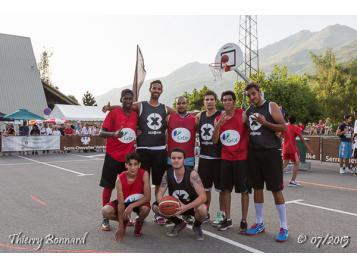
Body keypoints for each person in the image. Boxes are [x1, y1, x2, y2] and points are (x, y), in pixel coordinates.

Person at [103, 80, 175, 225]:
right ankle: (129, 212)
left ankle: (157, 212)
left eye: (159, 88)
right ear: (150, 89)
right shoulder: (141, 105)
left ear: (162, 90)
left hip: (159, 150)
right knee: (140, 183)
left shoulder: (165, 109)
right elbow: (127, 105)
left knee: (158, 183)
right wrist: (110, 107)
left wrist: (200, 113)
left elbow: (181, 112)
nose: (156, 90)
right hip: (140, 151)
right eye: (154, 87)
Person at [244, 83, 289, 242]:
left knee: (276, 190)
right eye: (249, 95)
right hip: (254, 154)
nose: (252, 97)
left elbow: (284, 128)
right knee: (257, 188)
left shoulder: (271, 106)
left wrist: (265, 123)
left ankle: (284, 226)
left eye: (254, 94)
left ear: (259, 93)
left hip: (271, 153)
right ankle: (260, 223)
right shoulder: (248, 111)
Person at [99, 89, 138, 231]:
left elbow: (136, 130)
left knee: (127, 188)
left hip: (127, 159)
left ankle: (126, 216)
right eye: (125, 98)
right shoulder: (113, 114)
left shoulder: (135, 114)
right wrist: (114, 134)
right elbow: (101, 133)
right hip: (112, 156)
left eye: (130, 99)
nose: (128, 101)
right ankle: (105, 217)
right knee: (108, 186)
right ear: (121, 99)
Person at [212, 91, 250, 233]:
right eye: (224, 100)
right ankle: (227, 219)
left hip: (242, 159)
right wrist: (218, 125)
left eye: (229, 99)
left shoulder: (243, 114)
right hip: (226, 158)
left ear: (234, 102)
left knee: (244, 191)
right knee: (226, 190)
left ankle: (244, 220)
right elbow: (214, 140)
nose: (227, 102)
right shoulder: (219, 118)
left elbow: (252, 130)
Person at [152, 148, 208, 240]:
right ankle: (179, 223)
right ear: (170, 160)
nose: (176, 160)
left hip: (191, 206)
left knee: (203, 209)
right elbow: (159, 193)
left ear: (184, 160)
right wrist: (162, 204)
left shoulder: (192, 174)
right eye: (173, 158)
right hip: (176, 206)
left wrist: (186, 207)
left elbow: (203, 197)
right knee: (156, 207)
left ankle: (197, 226)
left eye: (179, 158)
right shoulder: (167, 173)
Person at [101, 153, 151, 241]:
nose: (132, 167)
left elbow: (147, 197)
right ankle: (124, 221)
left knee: (145, 209)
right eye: (130, 164)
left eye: (135, 164)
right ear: (126, 165)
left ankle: (138, 221)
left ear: (139, 165)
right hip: (125, 201)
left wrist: (131, 206)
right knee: (105, 211)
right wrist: (120, 226)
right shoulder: (120, 179)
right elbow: (120, 204)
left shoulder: (144, 174)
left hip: (139, 201)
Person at [196, 90, 224, 226]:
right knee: (205, 189)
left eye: (211, 99)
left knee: (221, 190)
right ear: (204, 102)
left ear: (216, 101)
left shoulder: (221, 115)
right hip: (204, 158)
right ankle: (206, 213)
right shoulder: (200, 116)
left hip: (218, 158)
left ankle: (221, 215)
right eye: (206, 99)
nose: (209, 102)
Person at [282, 116, 314, 186]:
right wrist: (310, 150)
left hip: (285, 148)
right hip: (292, 149)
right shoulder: (296, 128)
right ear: (295, 121)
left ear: (288, 120)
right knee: (297, 163)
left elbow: (280, 135)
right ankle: (292, 181)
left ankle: (273, 176)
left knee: (285, 163)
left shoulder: (284, 127)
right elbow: (302, 140)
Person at [167, 96, 196, 168]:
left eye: (183, 103)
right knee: (171, 179)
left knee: (188, 179)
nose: (181, 105)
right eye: (178, 103)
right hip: (172, 158)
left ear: (187, 105)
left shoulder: (194, 119)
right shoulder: (169, 118)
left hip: (188, 159)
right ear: (175, 105)